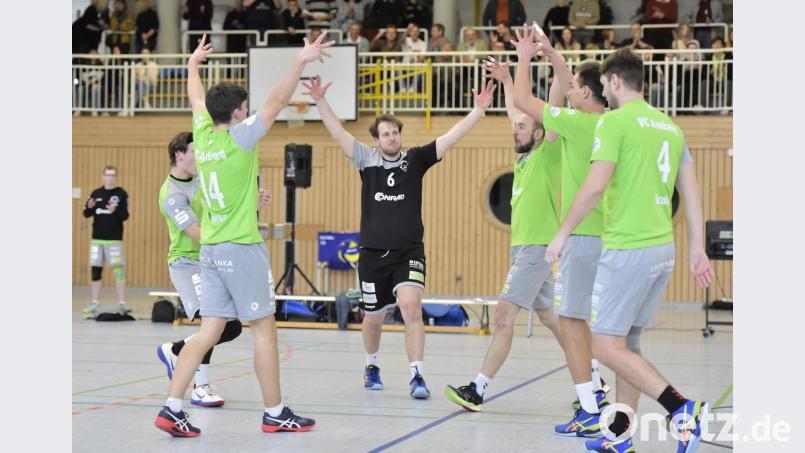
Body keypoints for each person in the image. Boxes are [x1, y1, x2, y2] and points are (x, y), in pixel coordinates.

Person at [153, 32, 333, 437]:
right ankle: (275, 411)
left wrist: (192, 65)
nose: (250, 111)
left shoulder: (202, 132)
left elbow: (196, 97)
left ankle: (172, 406)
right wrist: (302, 60)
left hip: (212, 250)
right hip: (240, 247)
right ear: (237, 113)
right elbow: (277, 100)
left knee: (208, 331)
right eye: (245, 108)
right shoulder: (239, 138)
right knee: (265, 330)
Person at [544, 46, 713, 453]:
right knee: (626, 344)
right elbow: (690, 193)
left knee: (602, 344)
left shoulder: (613, 123)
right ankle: (619, 436)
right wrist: (698, 248)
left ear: (615, 82)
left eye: (603, 84)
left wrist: (563, 231)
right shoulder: (671, 128)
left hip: (627, 250)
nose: (604, 90)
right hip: (662, 250)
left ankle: (681, 407)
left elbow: (596, 184)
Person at [302, 74, 496, 400]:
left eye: (395, 132)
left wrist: (478, 111)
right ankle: (372, 364)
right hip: (372, 255)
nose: (391, 137)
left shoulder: (416, 160)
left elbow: (450, 137)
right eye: (385, 134)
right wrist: (321, 100)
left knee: (411, 308)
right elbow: (338, 132)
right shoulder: (366, 160)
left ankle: (417, 375)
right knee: (373, 318)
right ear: (376, 140)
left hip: (409, 252)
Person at [444, 52, 566, 413]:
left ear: (540, 132)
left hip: (535, 248)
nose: (515, 128)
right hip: (525, 249)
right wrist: (507, 78)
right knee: (550, 317)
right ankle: (590, 373)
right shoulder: (525, 155)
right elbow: (518, 113)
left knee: (502, 318)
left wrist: (545, 56)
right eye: (515, 126)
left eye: (523, 127)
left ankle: (478, 389)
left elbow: (553, 100)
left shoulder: (548, 152)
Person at [510, 23, 612, 438]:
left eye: (573, 88)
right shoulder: (613, 124)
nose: (568, 91)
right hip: (612, 236)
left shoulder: (575, 124)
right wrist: (553, 54)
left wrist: (522, 58)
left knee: (571, 324)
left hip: (582, 236)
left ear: (585, 93)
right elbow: (567, 82)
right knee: (590, 325)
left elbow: (521, 100)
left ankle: (591, 405)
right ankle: (598, 393)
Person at [156, 132, 248, 408]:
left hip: (210, 260)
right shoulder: (171, 195)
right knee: (211, 321)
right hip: (187, 262)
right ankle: (200, 387)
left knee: (232, 328)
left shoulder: (202, 181)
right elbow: (197, 233)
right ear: (179, 155)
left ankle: (176, 351)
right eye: (195, 152)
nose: (200, 157)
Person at [82, 165, 129, 318]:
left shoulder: (121, 194)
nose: (110, 177)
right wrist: (88, 208)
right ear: (103, 176)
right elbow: (86, 213)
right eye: (107, 175)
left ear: (115, 177)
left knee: (118, 271)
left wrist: (115, 211)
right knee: (96, 270)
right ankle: (95, 302)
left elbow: (125, 215)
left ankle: (122, 303)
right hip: (97, 240)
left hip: (114, 240)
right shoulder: (96, 193)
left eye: (112, 175)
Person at [402, 24, 427, 93]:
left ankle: (413, 88)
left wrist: (417, 61)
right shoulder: (406, 40)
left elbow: (423, 57)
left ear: (419, 33)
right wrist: (407, 30)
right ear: (409, 33)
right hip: (405, 65)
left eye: (416, 31)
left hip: (416, 65)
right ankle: (402, 88)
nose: (415, 33)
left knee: (419, 68)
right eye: (412, 31)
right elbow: (400, 40)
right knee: (397, 67)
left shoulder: (423, 43)